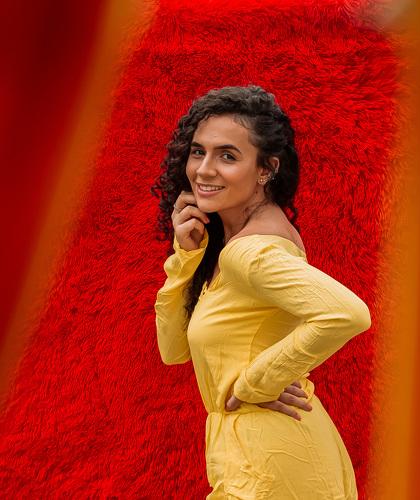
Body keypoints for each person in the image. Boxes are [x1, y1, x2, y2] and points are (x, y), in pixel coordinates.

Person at [151, 85, 371, 499]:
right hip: (255, 453)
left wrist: (257, 384)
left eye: (228, 156)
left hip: (272, 460)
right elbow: (173, 349)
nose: (204, 170)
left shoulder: (248, 252)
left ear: (266, 169)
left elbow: (348, 313)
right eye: (198, 152)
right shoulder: (235, 244)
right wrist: (186, 255)